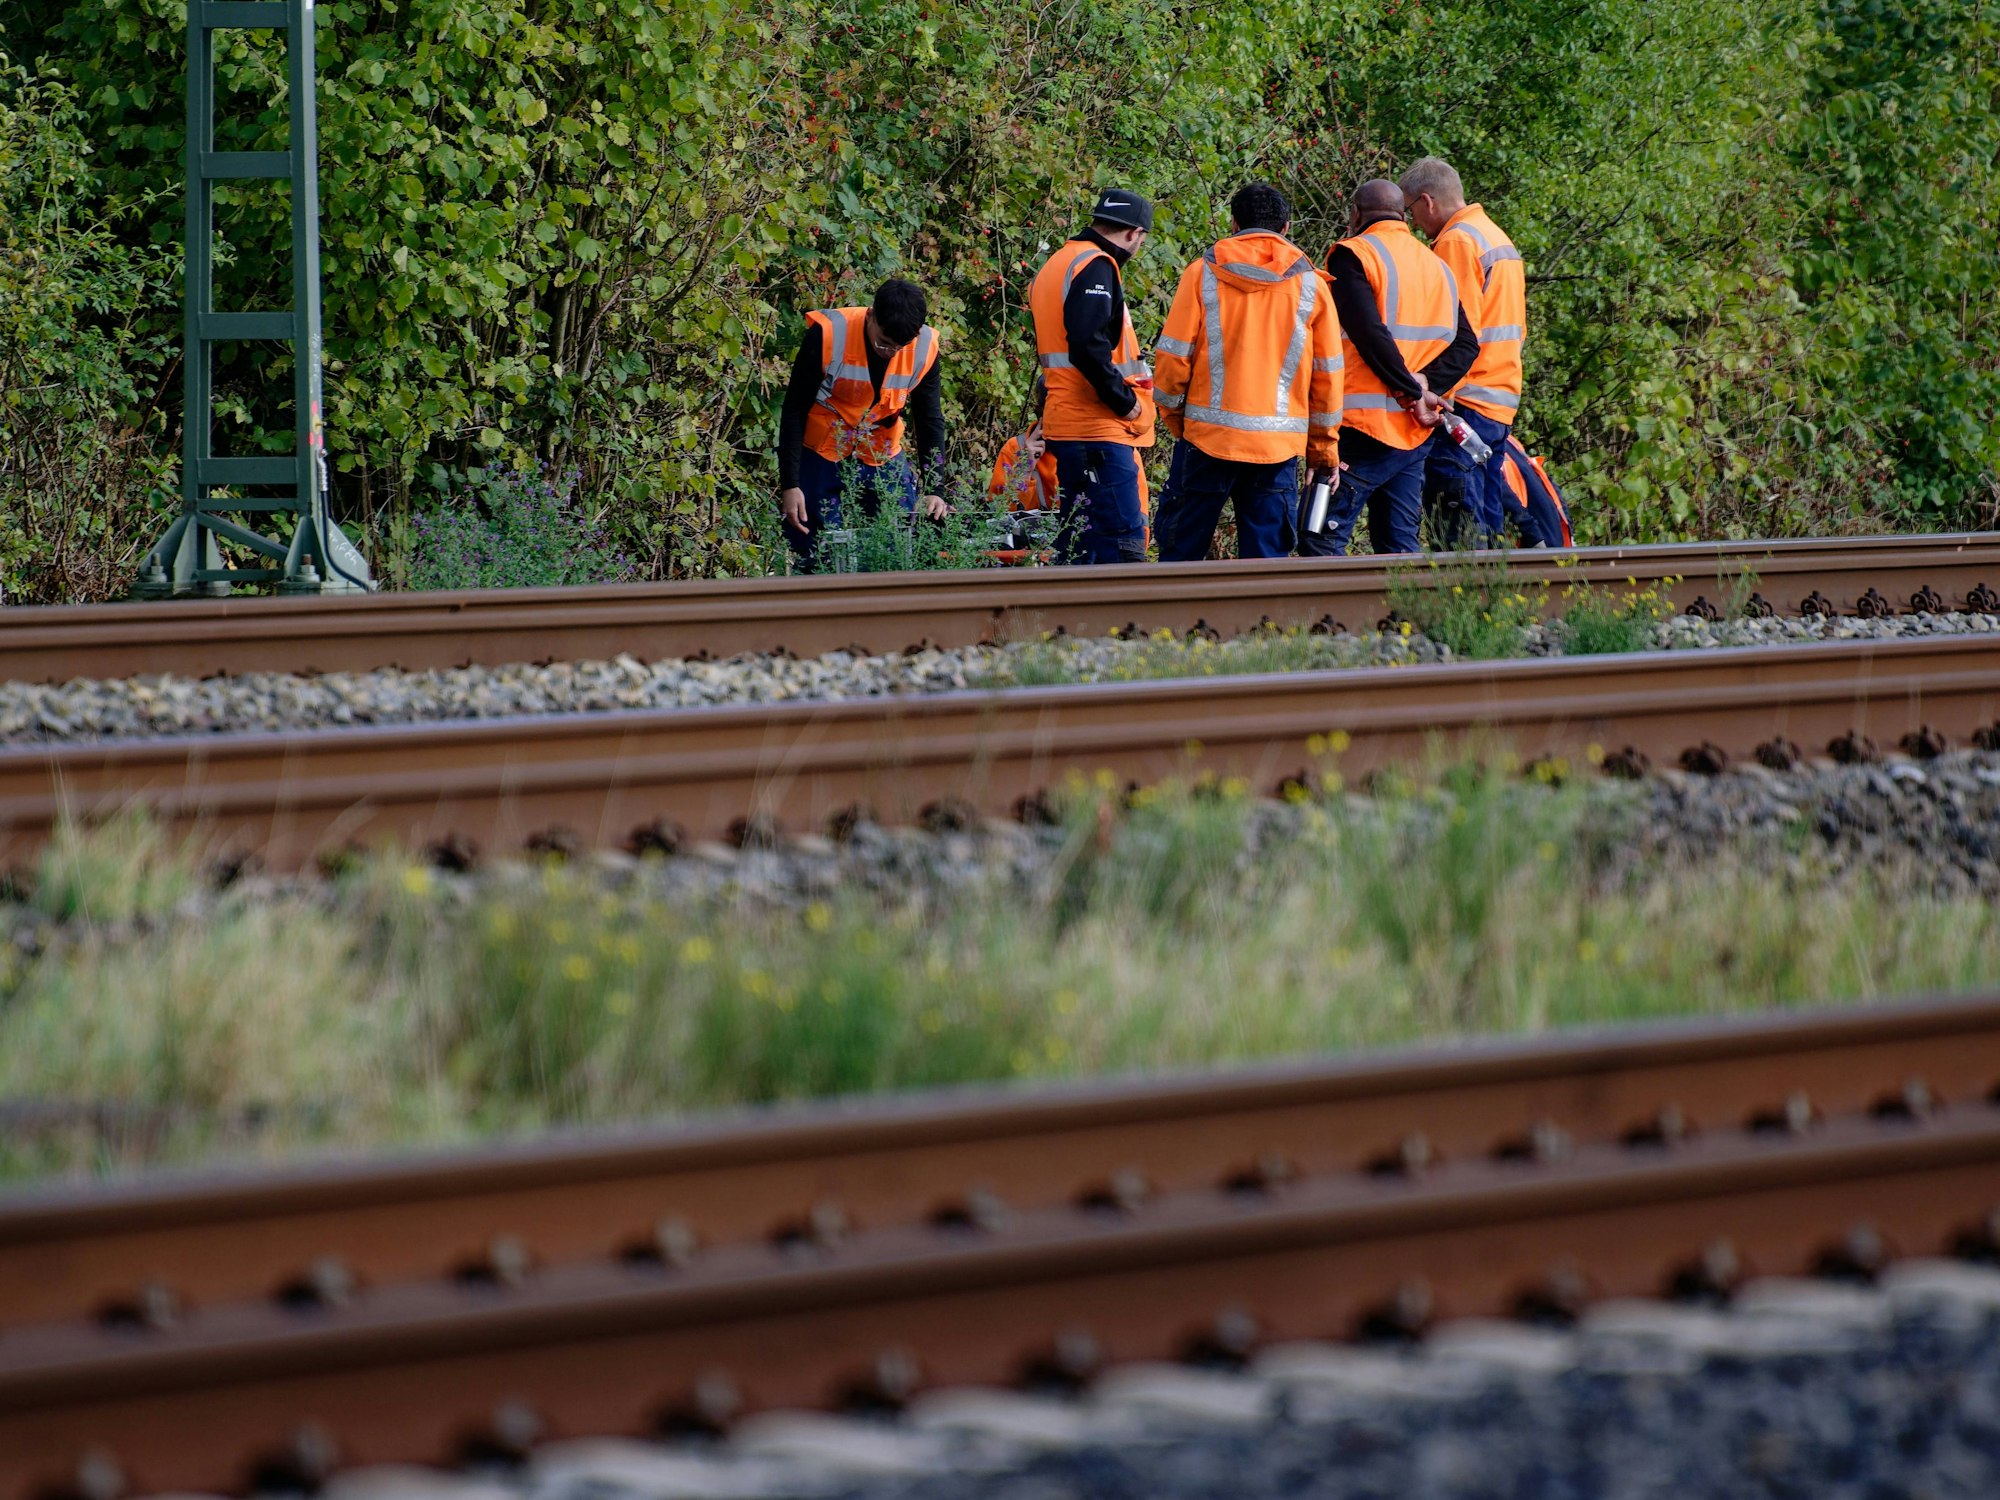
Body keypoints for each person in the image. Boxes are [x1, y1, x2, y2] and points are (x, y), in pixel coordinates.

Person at [1150, 183, 1343, 562]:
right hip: (1276, 449)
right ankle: (1261, 623)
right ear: (1286, 228)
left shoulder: (1201, 274)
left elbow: (1173, 359)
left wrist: (1176, 419)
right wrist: (1322, 450)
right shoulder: (1312, 286)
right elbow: (1328, 378)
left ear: (1234, 223)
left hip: (1206, 440)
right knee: (1266, 565)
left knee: (1180, 555)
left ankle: (1169, 622)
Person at [1301, 180, 1480, 557]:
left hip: (1360, 429)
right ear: (1403, 216)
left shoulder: (1353, 254)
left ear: (1355, 214)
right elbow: (1467, 345)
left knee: (1318, 536)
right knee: (1397, 548)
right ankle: (1403, 618)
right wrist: (1426, 384)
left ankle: (1329, 617)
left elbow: (1369, 334)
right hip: (1414, 435)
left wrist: (1413, 391)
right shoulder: (1438, 267)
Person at [778, 279, 947, 570]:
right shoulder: (828, 334)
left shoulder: (924, 348)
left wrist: (935, 489)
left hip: (882, 453)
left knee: (899, 542)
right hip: (822, 451)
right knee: (815, 548)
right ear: (870, 316)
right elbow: (794, 409)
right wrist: (790, 484)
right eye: (883, 342)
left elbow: (929, 418)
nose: (890, 352)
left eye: (900, 346)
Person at [1400, 157, 1526, 547]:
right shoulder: (1493, 234)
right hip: (1498, 399)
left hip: (1465, 402)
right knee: (1487, 525)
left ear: (1427, 201)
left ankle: (1464, 601)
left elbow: (1457, 333)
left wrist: (1436, 397)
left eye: (1410, 211)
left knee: (1458, 529)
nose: (1413, 223)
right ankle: (1490, 603)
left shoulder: (1456, 241)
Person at [1027, 189, 1158, 564]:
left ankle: (1080, 623)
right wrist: (1127, 403)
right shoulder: (1096, 265)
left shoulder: (1059, 263)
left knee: (1080, 548)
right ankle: (1121, 623)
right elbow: (1087, 347)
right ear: (1134, 233)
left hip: (1068, 426)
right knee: (1122, 545)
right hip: (1098, 429)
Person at [1497, 435, 1571, 547]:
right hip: (1528, 546)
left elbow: (1543, 479)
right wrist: (1533, 536)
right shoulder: (1483, 443)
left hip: (1550, 540)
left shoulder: (1508, 440)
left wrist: (1568, 523)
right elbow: (1504, 496)